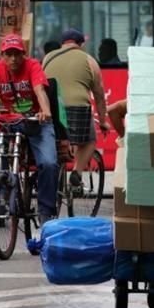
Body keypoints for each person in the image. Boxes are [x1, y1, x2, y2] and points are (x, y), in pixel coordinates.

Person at [0, 33, 58, 225]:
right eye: (8, 54)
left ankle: (46, 210)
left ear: (24, 54)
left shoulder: (33, 66)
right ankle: (1, 191)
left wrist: (45, 111)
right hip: (11, 122)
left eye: (17, 54)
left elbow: (40, 91)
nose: (13, 58)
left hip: (37, 121)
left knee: (49, 163)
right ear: (2, 55)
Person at [42, 28, 111, 188]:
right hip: (77, 107)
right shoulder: (89, 60)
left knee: (54, 141)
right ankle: (76, 173)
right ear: (81, 44)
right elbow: (99, 95)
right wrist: (102, 121)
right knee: (89, 141)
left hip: (51, 108)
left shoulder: (47, 58)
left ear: (63, 44)